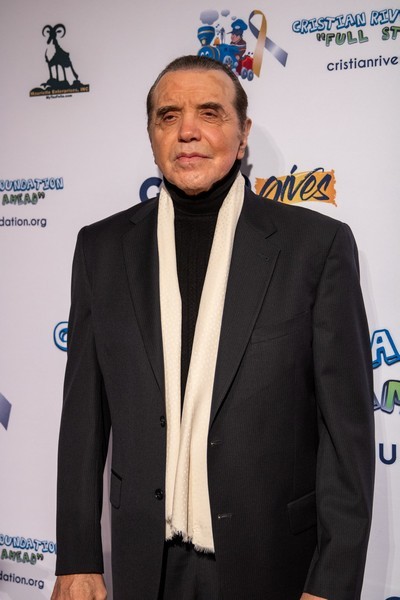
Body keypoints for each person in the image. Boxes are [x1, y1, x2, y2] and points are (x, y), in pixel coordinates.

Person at [51, 55, 375, 600]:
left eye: (209, 112)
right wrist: (77, 556)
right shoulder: (100, 250)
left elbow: (346, 438)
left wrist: (333, 583)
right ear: (152, 135)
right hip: (142, 562)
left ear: (242, 134)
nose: (188, 131)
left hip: (272, 561)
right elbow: (83, 417)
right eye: (168, 115)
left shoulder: (315, 248)